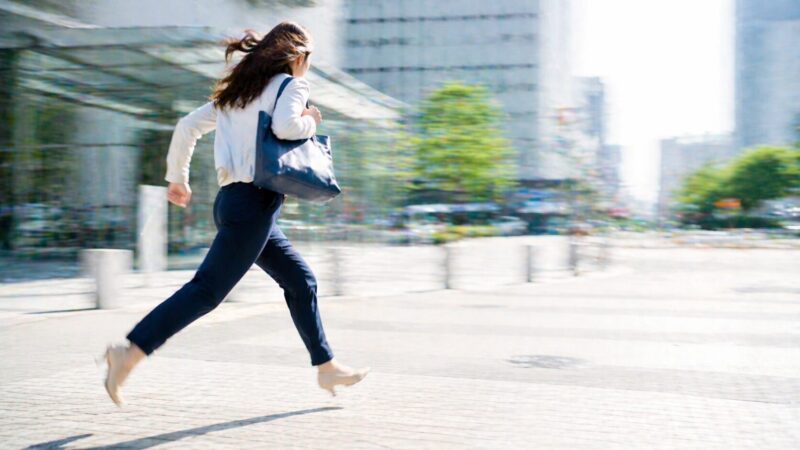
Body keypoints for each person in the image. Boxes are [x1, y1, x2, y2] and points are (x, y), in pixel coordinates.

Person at [99, 21, 369, 406]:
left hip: (233, 203)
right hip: (254, 206)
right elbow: (287, 127)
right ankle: (129, 353)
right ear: (297, 57)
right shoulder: (292, 86)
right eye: (308, 58)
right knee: (206, 291)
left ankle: (326, 366)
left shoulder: (240, 92)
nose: (307, 66)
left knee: (301, 280)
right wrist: (311, 119)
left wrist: (178, 178)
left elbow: (187, 126)